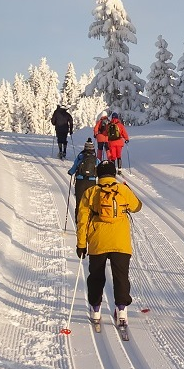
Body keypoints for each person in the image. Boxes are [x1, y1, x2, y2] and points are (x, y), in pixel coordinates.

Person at [76, 160, 142, 326]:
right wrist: (128, 190)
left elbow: (82, 220)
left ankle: (96, 310)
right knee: (121, 277)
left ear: (98, 174)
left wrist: (81, 244)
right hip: (121, 242)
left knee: (96, 276)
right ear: (113, 174)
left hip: (98, 241)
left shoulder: (90, 192)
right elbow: (137, 206)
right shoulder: (122, 189)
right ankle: (121, 311)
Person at [67, 138, 99, 223]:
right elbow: (99, 170)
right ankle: (90, 222)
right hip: (92, 182)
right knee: (91, 203)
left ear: (85, 147)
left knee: (79, 203)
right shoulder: (95, 158)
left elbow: (74, 168)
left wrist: (70, 172)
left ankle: (78, 223)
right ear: (92, 148)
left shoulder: (80, 156)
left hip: (80, 182)